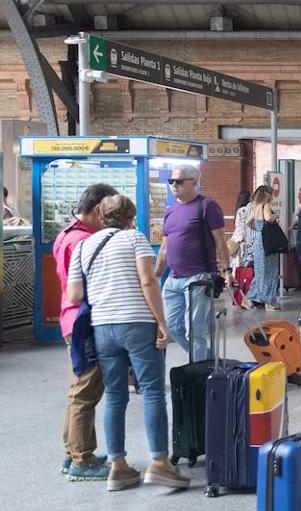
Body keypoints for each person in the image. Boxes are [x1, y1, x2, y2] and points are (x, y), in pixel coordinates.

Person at [67, 194, 190, 492]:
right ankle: (160, 463)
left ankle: (118, 467)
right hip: (136, 323)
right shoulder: (134, 239)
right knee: (150, 392)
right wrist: (162, 323)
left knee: (114, 396)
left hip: (102, 328)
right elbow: (148, 281)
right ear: (131, 218)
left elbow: (74, 295)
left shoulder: (83, 246)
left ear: (101, 215)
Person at [53, 183, 118, 481]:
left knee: (78, 389)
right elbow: (84, 288)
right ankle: (82, 458)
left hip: (71, 319)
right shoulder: (81, 241)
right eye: (105, 212)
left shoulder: (68, 234)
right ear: (95, 210)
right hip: (83, 321)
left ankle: (73, 452)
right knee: (87, 390)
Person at [154, 164, 230, 361]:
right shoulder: (171, 211)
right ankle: (208, 362)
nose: (174, 185)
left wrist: (227, 270)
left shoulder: (207, 206)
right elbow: (164, 247)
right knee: (172, 327)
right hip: (173, 279)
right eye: (171, 181)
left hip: (198, 277)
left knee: (194, 331)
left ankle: (199, 373)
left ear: (194, 182)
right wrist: (155, 275)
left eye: (179, 181)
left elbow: (220, 240)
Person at [245, 185, 282, 311]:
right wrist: (276, 215)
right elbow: (268, 218)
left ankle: (250, 299)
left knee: (260, 273)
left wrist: (259, 230)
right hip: (267, 243)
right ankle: (269, 302)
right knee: (271, 272)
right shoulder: (266, 205)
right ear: (268, 195)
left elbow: (248, 223)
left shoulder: (256, 207)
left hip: (258, 242)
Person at [229, 190, 254, 269]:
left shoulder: (239, 210)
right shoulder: (244, 210)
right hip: (241, 242)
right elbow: (243, 226)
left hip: (236, 239)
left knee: (236, 265)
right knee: (242, 266)